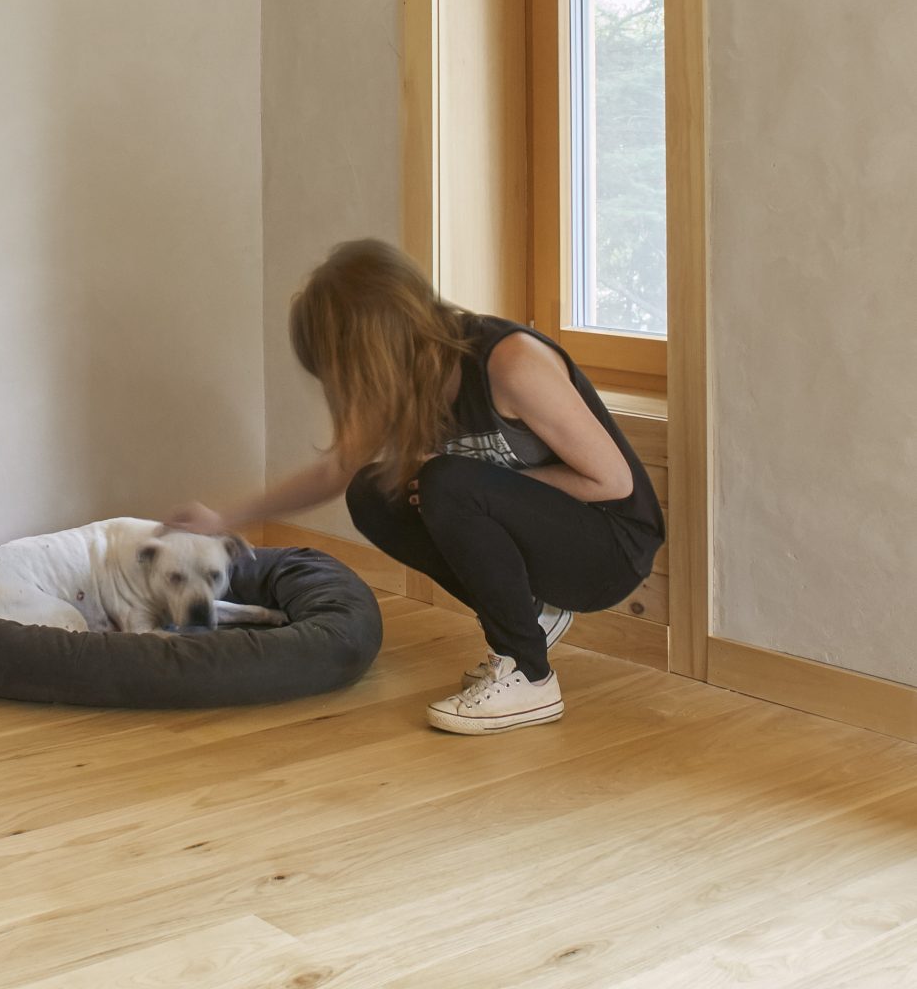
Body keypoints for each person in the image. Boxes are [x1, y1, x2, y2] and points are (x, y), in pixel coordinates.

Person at [167, 237, 665, 732]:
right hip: (547, 537)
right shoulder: (406, 380)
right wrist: (223, 518)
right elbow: (334, 473)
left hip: (610, 548)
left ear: (380, 342)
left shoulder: (510, 362)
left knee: (444, 480)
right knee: (374, 491)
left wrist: (484, 484)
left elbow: (611, 481)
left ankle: (530, 676)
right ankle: (528, 616)